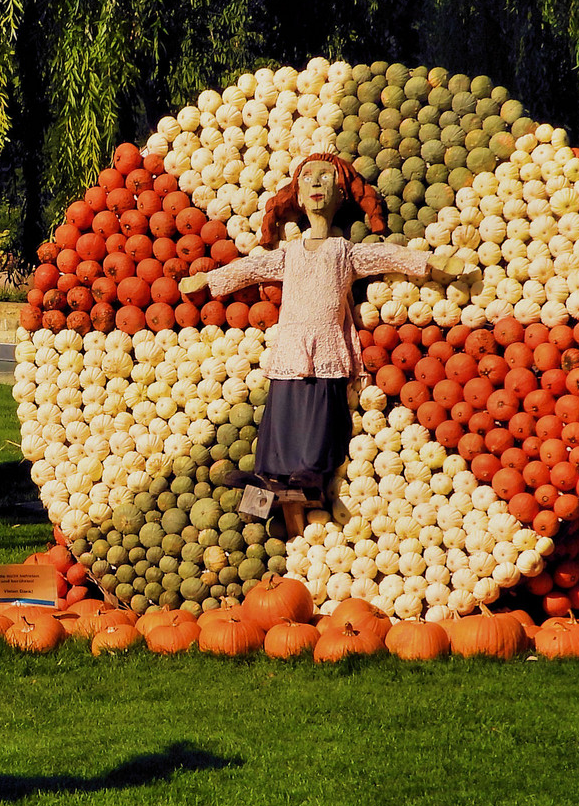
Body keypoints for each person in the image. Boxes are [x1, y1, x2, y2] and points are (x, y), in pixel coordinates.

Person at [181, 153, 469, 539]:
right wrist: (207, 280)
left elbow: (388, 255)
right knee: (279, 420)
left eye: (325, 178)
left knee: (319, 417)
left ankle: (307, 478)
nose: (316, 184)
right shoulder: (290, 254)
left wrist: (431, 262)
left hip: (327, 349)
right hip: (289, 349)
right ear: (297, 196)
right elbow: (249, 268)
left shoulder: (344, 251)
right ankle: (260, 494)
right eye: (308, 178)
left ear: (340, 193)